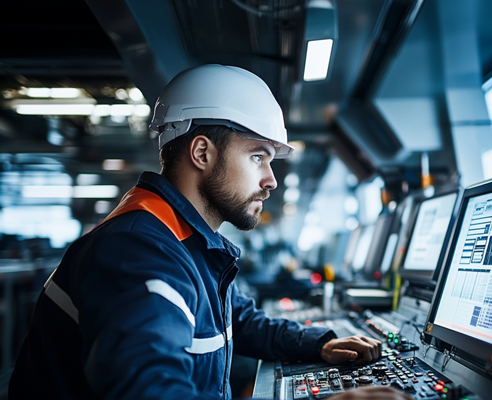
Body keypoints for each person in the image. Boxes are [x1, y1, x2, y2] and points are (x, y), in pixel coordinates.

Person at [9, 64, 410, 400]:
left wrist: (317, 343)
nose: (271, 180)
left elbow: (237, 317)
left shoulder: (183, 240)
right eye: (258, 157)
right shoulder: (138, 252)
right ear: (202, 153)